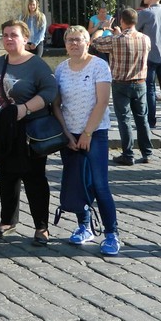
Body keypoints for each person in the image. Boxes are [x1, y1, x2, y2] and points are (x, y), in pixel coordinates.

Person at [0, 19, 57, 244]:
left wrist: (25, 108)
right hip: (0, 129)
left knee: (34, 178)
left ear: (25, 38)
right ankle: (7, 220)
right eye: (5, 35)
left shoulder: (36, 64)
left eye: (13, 35)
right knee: (6, 175)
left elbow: (50, 91)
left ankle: (41, 226)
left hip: (28, 130)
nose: (8, 39)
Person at [53, 26, 121, 256]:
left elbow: (102, 102)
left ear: (87, 42)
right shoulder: (61, 69)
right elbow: (57, 104)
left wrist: (87, 133)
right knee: (77, 182)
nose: (74, 43)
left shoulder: (99, 66)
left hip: (95, 133)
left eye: (78, 39)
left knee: (99, 184)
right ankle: (84, 225)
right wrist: (66, 134)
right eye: (69, 40)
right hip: (70, 134)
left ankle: (111, 233)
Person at [91, 8, 152, 166]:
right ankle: (147, 152)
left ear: (122, 21)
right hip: (140, 82)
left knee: (124, 120)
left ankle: (128, 154)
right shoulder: (145, 39)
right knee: (142, 118)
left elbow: (95, 42)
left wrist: (102, 28)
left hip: (121, 83)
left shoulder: (116, 39)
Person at [137, 0, 161, 130]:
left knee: (150, 89)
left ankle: (151, 121)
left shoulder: (146, 13)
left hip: (149, 56)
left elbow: (134, 29)